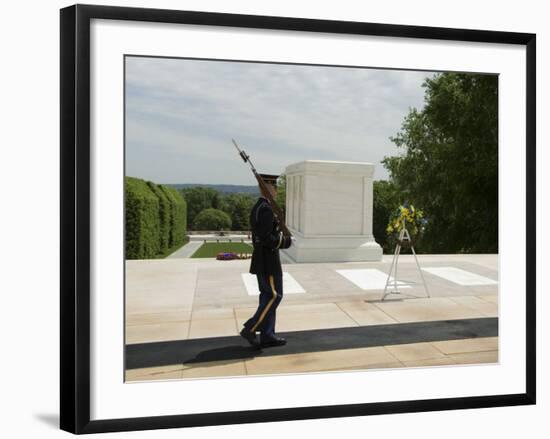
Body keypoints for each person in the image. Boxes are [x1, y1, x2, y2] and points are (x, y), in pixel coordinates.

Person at [240, 173, 292, 348]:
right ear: (268, 189)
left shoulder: (259, 207)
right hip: (268, 260)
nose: (276, 190)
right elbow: (266, 237)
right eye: (274, 187)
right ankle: (251, 327)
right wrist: (285, 241)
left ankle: (268, 334)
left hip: (263, 259)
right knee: (274, 296)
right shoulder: (266, 209)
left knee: (267, 297)